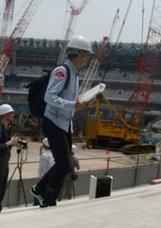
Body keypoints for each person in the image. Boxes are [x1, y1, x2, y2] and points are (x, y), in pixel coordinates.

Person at [31, 35, 92, 207]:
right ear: (79, 54)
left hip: (65, 124)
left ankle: (39, 190)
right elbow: (49, 96)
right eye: (86, 55)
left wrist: (79, 102)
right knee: (64, 163)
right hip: (53, 122)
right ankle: (48, 198)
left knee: (65, 163)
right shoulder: (63, 71)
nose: (87, 59)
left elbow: (68, 99)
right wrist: (73, 104)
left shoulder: (75, 74)